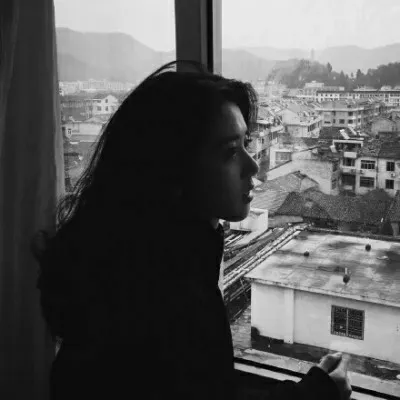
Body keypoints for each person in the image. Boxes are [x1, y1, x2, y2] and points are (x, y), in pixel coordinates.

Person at [31, 61, 352, 400]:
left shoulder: (155, 263)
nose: (252, 164)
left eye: (246, 143)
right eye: (230, 152)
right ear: (172, 169)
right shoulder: (155, 300)